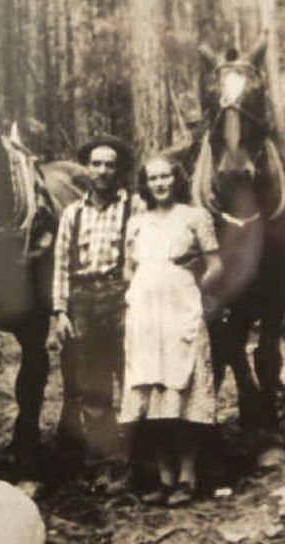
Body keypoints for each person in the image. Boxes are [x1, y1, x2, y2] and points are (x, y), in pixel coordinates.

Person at [119, 153, 222, 506]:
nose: (160, 184)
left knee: (183, 385)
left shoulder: (195, 217)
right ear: (144, 184)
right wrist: (139, 292)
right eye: (153, 179)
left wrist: (191, 288)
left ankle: (188, 477)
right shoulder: (136, 222)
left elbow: (215, 265)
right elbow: (127, 270)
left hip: (181, 310)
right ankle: (163, 477)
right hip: (145, 315)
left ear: (176, 179)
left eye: (165, 177)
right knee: (151, 387)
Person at [53, 134, 144, 489]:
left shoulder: (134, 207)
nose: (103, 171)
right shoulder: (73, 214)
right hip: (83, 301)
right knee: (92, 386)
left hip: (124, 297)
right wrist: (60, 311)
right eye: (96, 164)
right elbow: (61, 265)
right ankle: (102, 461)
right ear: (87, 169)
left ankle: (135, 458)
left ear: (119, 170)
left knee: (132, 377)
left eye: (110, 164)